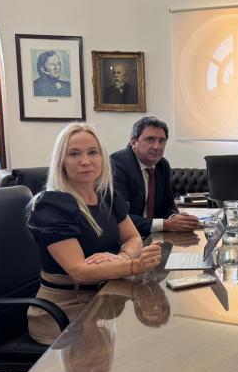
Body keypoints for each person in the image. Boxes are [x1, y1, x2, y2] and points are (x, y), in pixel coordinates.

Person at [26, 123, 162, 345]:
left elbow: (134, 238)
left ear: (102, 157)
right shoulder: (51, 205)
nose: (85, 161)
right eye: (74, 154)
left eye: (92, 152)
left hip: (105, 295)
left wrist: (122, 257)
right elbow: (80, 271)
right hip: (66, 309)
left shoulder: (106, 195)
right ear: (61, 161)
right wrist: (133, 266)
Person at [110, 116, 199, 237]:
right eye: (150, 140)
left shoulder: (162, 165)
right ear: (133, 142)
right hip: (126, 239)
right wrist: (166, 224)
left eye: (161, 141)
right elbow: (120, 216)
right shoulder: (117, 164)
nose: (157, 147)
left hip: (155, 236)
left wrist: (175, 218)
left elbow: (168, 204)